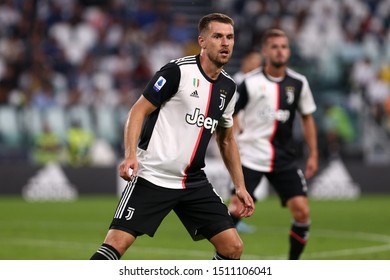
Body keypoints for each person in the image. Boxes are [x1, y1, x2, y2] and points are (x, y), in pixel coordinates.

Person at [90, 13, 254, 260]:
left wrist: (239, 186)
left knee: (232, 247)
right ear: (202, 41)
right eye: (217, 36)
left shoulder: (229, 88)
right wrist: (130, 155)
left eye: (229, 37)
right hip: (152, 175)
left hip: (192, 181)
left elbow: (227, 139)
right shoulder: (177, 72)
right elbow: (138, 111)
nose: (225, 43)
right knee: (116, 244)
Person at [227, 28, 318, 260]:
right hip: (250, 155)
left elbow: (307, 117)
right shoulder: (249, 82)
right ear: (266, 51)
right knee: (235, 210)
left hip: (284, 157)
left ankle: (292, 265)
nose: (280, 51)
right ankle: (223, 261)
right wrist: (237, 132)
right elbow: (231, 112)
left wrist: (313, 154)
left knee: (302, 211)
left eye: (284, 47)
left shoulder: (299, 83)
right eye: (275, 47)